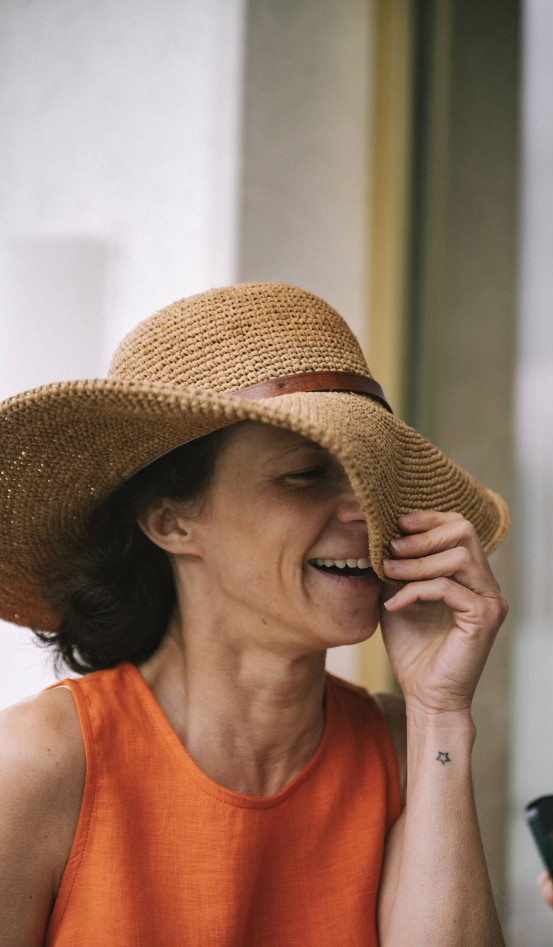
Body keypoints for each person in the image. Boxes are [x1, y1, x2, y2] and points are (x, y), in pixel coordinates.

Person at [0, 282, 509, 946]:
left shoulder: (405, 743)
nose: (367, 510)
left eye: (369, 476)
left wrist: (441, 709)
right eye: (304, 474)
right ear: (170, 519)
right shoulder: (41, 761)